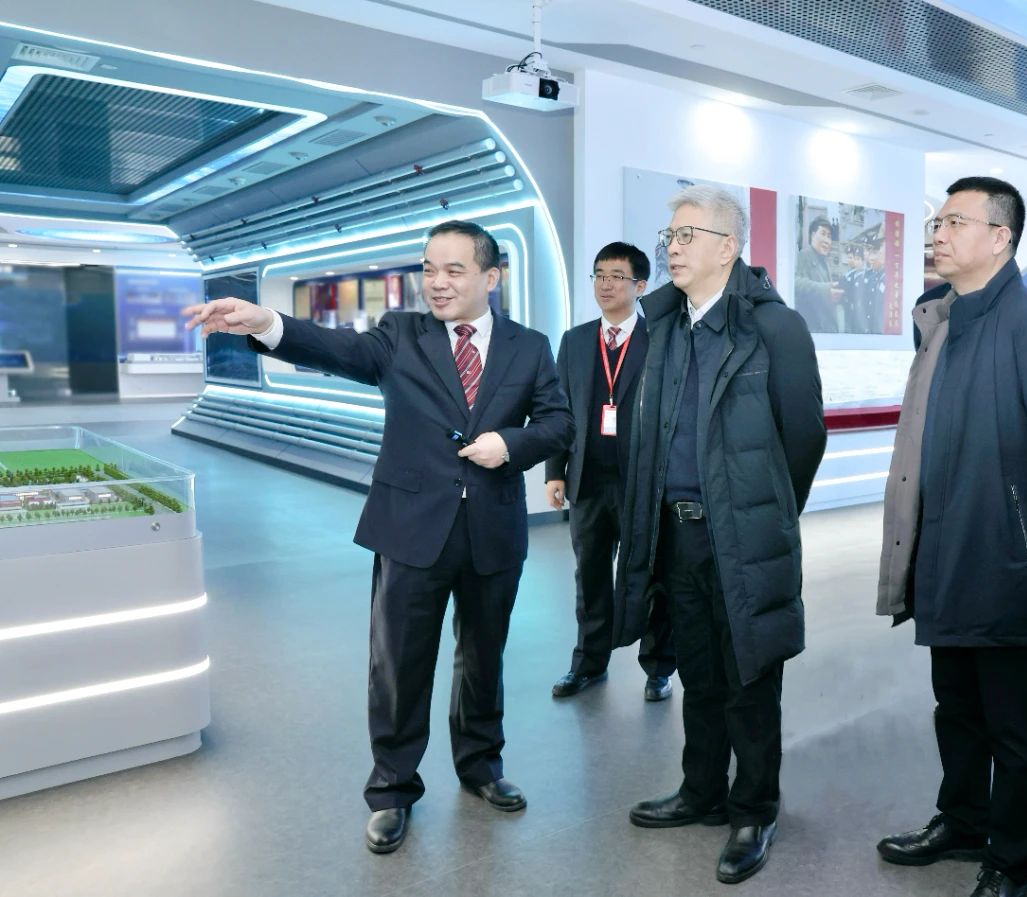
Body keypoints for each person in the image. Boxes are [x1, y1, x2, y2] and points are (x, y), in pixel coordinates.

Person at [182, 219, 573, 855]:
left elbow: (558, 423)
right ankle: (393, 790)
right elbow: (335, 348)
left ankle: (481, 765)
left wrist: (510, 444)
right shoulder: (401, 335)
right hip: (411, 530)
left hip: (492, 530)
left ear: (491, 277)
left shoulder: (529, 347)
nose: (437, 283)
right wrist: (266, 322)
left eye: (454, 270)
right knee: (399, 664)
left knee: (485, 658)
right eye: (429, 269)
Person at [875, 176, 1027, 897]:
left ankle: (1010, 861)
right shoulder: (939, 322)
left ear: (1000, 237)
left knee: (1018, 731)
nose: (936, 233)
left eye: (954, 222)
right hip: (944, 557)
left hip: (1012, 568)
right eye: (936, 222)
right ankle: (962, 820)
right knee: (957, 710)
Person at [614, 185, 826, 885]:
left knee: (749, 677)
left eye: (686, 236)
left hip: (741, 534)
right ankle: (700, 790)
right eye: (668, 236)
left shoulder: (775, 328)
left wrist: (763, 511)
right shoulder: (664, 327)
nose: (671, 248)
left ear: (728, 247)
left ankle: (753, 809)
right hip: (675, 536)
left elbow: (803, 438)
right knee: (698, 674)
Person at [544, 241, 676, 701]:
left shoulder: (660, 339)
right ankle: (588, 663)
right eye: (600, 275)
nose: (606, 284)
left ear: (640, 286)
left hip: (643, 482)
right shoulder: (575, 341)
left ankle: (658, 667)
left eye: (617, 276)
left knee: (652, 575)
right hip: (588, 480)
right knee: (590, 577)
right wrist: (555, 471)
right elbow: (558, 411)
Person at [793, 216, 840, 333]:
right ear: (813, 235)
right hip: (812, 329)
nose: (827, 240)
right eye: (823, 234)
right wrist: (825, 290)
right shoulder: (804, 255)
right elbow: (795, 283)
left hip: (825, 329)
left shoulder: (824, 262)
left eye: (829, 236)